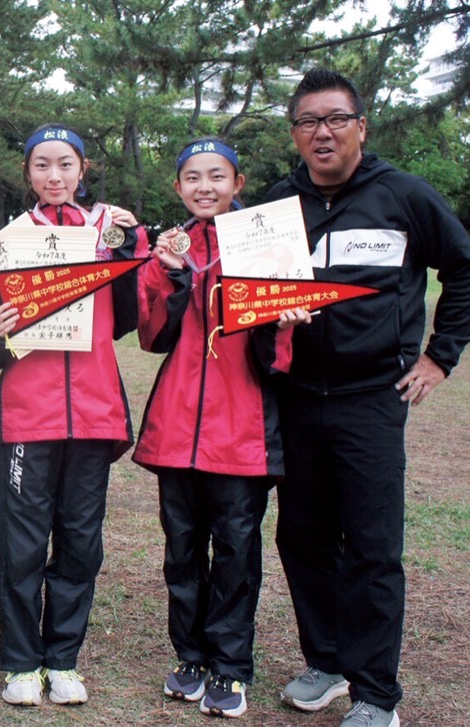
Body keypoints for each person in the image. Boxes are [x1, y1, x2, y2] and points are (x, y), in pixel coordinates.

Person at [267, 68, 470, 727]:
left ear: (361, 126)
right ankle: (325, 662)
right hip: (295, 397)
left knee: (373, 544)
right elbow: (243, 289)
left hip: (372, 399)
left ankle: (377, 692)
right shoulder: (275, 207)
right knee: (302, 535)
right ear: (295, 134)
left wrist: (441, 355)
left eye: (335, 119)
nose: (321, 132)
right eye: (308, 122)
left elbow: (462, 266)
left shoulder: (404, 196)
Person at [133, 138, 308, 719]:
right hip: (176, 426)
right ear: (178, 187)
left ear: (239, 182)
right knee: (182, 550)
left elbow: (278, 361)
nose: (204, 186)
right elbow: (152, 335)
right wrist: (167, 274)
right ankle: (190, 656)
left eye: (216, 176)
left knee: (235, 552)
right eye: (191, 177)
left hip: (242, 431)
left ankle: (230, 668)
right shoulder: (172, 249)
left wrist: (279, 321)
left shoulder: (267, 243)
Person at [0, 124, 145, 708]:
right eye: (42, 165)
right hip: (28, 414)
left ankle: (63, 657)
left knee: (79, 541)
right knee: (20, 546)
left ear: (82, 170)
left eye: (65, 165)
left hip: (93, 414)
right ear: (28, 174)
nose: (54, 177)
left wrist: (127, 248)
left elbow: (129, 318)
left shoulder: (108, 235)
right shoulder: (6, 243)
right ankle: (21, 661)